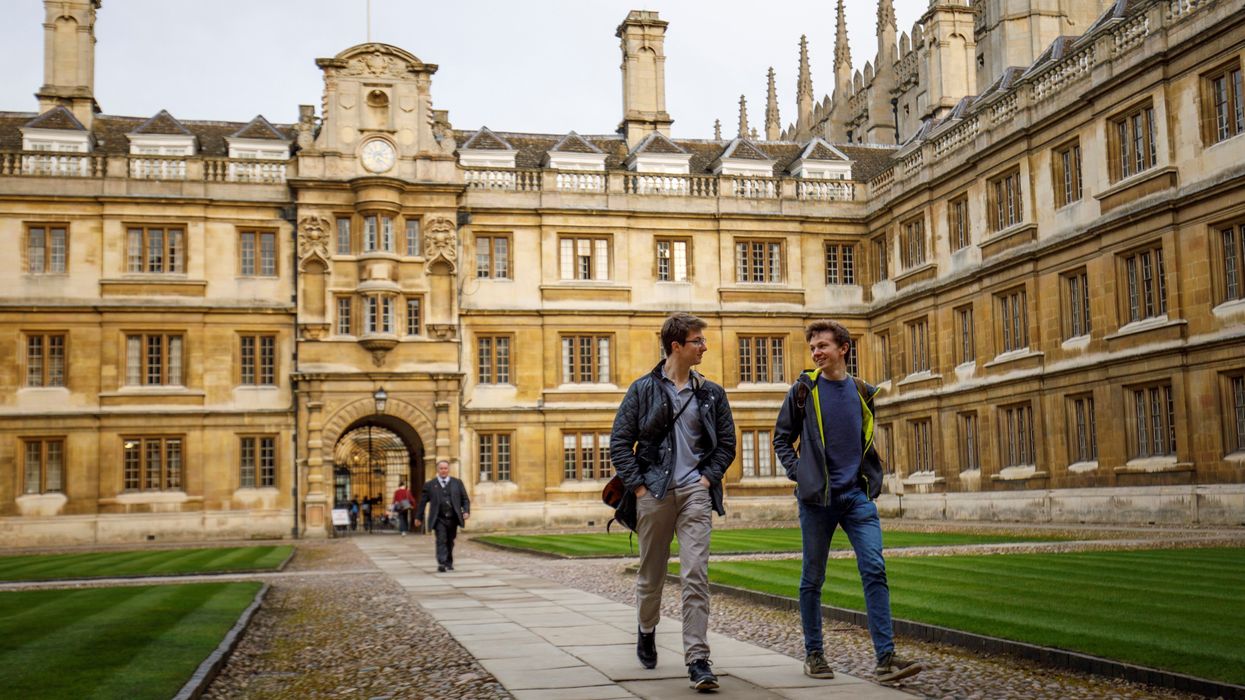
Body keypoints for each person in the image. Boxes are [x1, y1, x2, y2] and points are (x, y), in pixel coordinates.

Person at [772, 320, 925, 683]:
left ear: (843, 348)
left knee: (874, 568)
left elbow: (864, 439)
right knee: (813, 577)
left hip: (856, 497)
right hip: (817, 500)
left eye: (823, 346)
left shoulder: (861, 391)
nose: (816, 352)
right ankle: (814, 654)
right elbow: (781, 439)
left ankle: (885, 659)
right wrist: (801, 473)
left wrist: (868, 479)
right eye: (812, 348)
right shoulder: (803, 391)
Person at [610, 312, 736, 692]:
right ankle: (646, 629)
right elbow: (620, 442)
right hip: (654, 493)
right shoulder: (642, 389)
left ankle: (698, 659)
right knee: (651, 576)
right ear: (676, 345)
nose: (705, 347)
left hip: (695, 493)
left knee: (695, 574)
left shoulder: (711, 392)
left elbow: (726, 444)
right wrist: (638, 488)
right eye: (698, 341)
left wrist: (708, 477)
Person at [413, 460, 470, 572]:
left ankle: (449, 561)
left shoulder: (457, 483)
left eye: (445, 468)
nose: (443, 470)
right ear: (437, 470)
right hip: (438, 518)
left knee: (450, 541)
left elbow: (465, 499)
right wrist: (418, 517)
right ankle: (442, 563)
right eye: (441, 468)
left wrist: (466, 511)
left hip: (453, 517)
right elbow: (422, 502)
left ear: (448, 469)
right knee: (441, 539)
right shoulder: (429, 485)